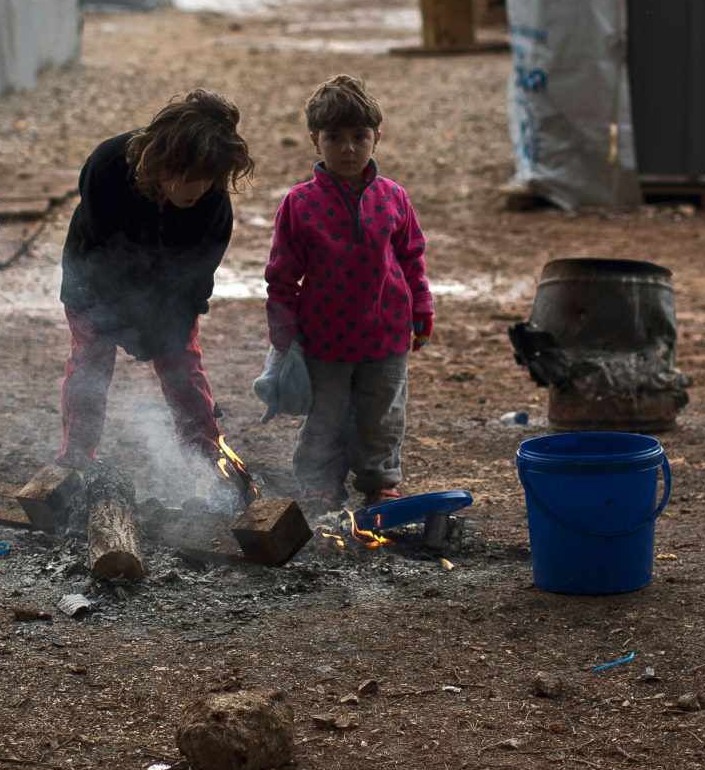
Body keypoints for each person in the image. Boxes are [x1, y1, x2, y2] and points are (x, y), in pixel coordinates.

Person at [56, 90, 256, 469]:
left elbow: (196, 279)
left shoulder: (213, 203)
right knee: (90, 365)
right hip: (92, 285)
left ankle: (206, 461)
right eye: (187, 178)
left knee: (183, 366)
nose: (197, 190)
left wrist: (165, 330)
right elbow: (100, 252)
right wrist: (124, 322)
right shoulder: (108, 166)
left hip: (169, 294)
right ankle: (75, 461)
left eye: (207, 179)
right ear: (162, 162)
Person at [264, 75, 433, 505]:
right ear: (314, 140)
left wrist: (422, 309)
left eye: (360, 137)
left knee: (382, 415)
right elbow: (281, 276)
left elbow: (412, 257)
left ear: (377, 138)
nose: (348, 148)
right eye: (334, 137)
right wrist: (283, 329)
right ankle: (320, 484)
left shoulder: (393, 198)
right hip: (324, 338)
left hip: (387, 333)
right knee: (326, 418)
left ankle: (379, 482)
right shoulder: (300, 204)